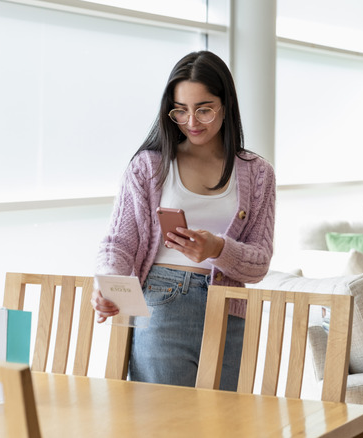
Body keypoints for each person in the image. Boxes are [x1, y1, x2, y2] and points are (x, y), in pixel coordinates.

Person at [92, 50, 276, 390]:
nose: (192, 122)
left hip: (229, 310)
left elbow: (259, 263)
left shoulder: (258, 173)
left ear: (226, 106)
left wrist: (218, 248)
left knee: (224, 423)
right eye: (181, 110)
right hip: (162, 303)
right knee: (163, 421)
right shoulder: (149, 166)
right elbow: (119, 242)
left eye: (204, 109)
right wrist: (109, 284)